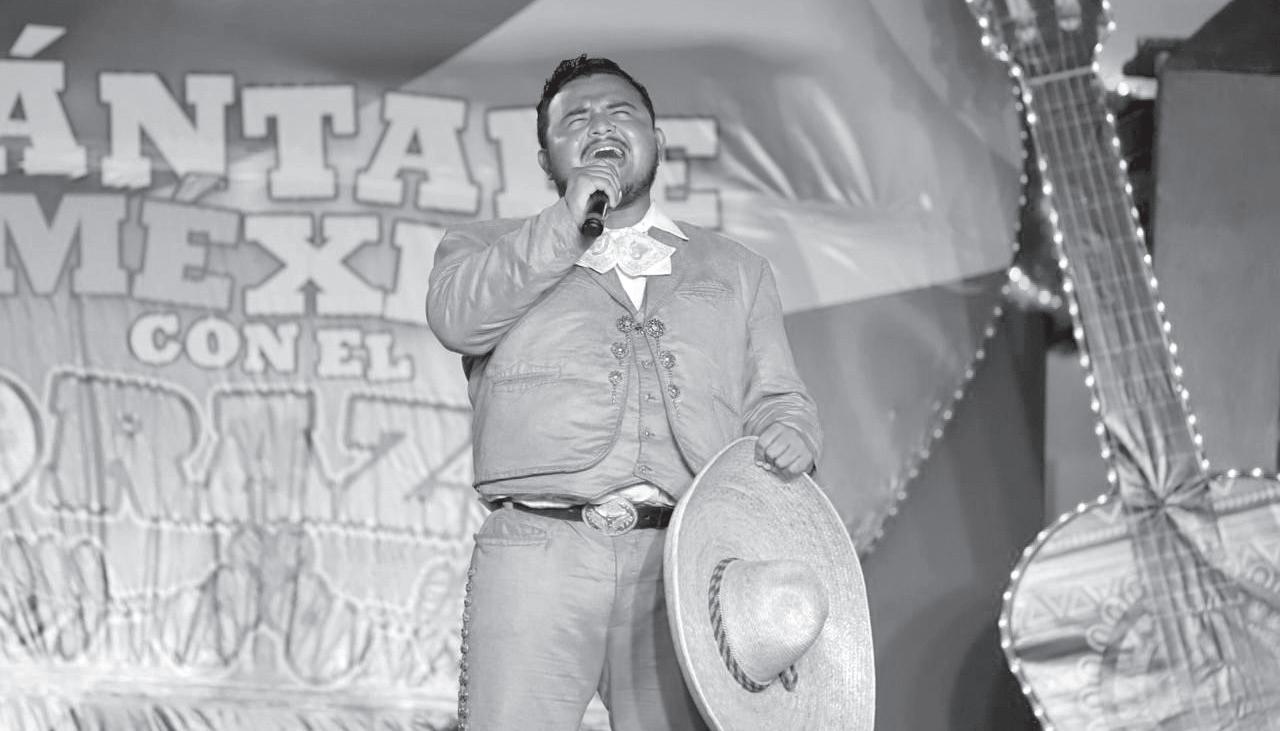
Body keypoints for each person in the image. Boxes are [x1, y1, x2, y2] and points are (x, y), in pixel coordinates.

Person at [426, 54, 822, 731]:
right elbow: (457, 320)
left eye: (621, 113)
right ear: (548, 159)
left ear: (657, 141)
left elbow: (777, 397)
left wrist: (794, 431)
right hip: (539, 548)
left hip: (683, 555)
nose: (601, 126)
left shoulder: (737, 268)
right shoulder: (486, 246)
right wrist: (566, 222)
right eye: (576, 120)